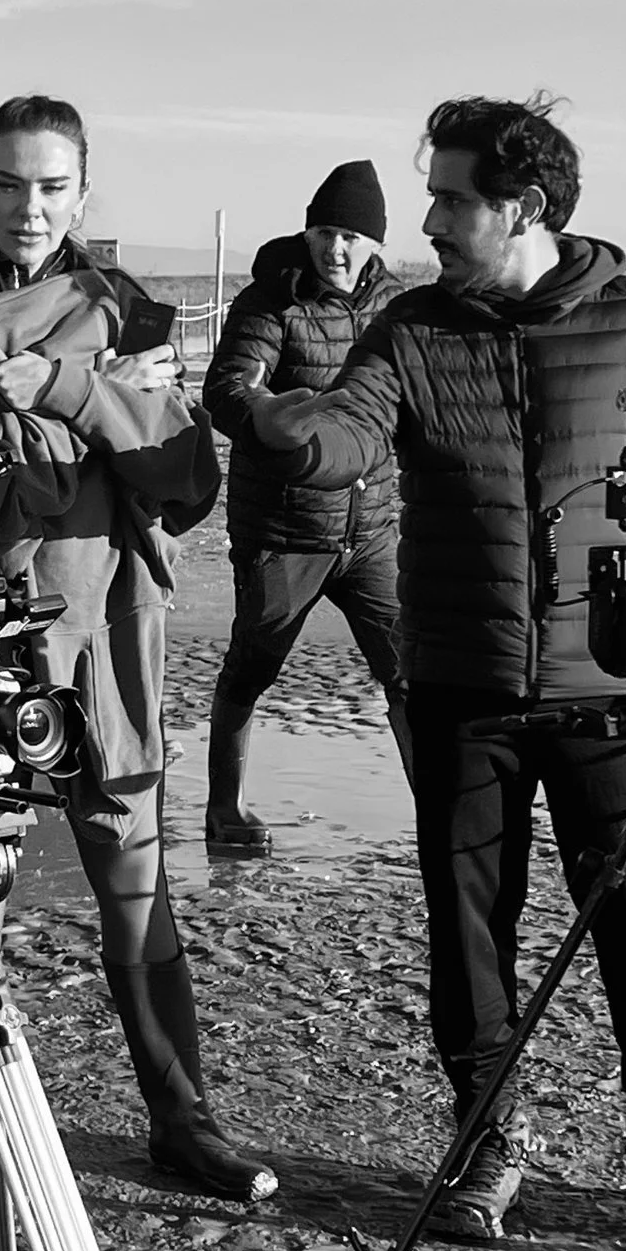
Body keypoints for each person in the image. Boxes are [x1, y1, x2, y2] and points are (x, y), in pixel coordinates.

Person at [237, 93, 626, 1251]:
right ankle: (483, 1144)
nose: (432, 218)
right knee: (467, 932)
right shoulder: (410, 330)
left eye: (453, 198)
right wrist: (273, 421)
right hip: (458, 680)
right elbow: (350, 434)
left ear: (526, 207)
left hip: (613, 692)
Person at [0, 93, 275, 1206]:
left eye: (51, 186)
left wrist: (58, 387)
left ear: (82, 192)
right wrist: (115, 409)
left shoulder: (131, 310)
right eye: (7, 183)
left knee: (135, 872)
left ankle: (181, 1120)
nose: (28, 207)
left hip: (112, 625)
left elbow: (189, 484)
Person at [201, 159, 409, 853]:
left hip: (375, 529)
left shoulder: (398, 307)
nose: (336, 248)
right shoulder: (271, 302)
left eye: (351, 234)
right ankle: (224, 810)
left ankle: (435, 810)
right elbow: (229, 390)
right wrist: (266, 416)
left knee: (409, 671)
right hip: (285, 531)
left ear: (375, 241)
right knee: (252, 669)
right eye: (324, 231)